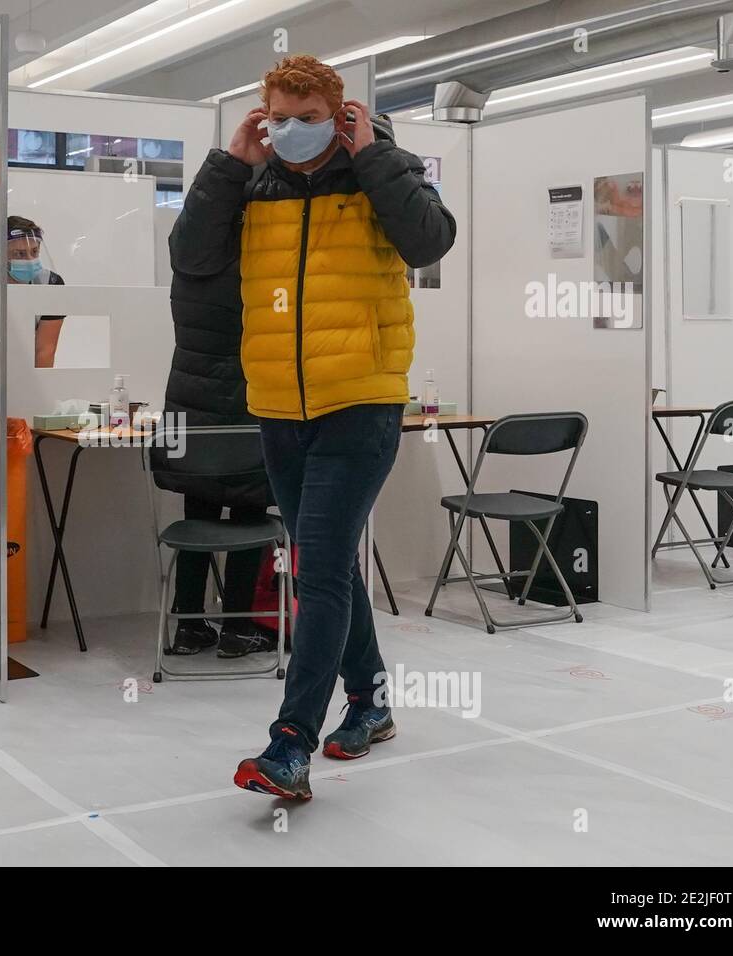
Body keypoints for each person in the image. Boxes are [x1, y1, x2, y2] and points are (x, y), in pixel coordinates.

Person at [169, 55, 455, 800]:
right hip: (275, 402)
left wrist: (375, 154)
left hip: (360, 400)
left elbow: (430, 241)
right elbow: (191, 257)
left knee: (318, 568)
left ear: (341, 115)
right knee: (321, 560)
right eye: (279, 118)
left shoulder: (376, 175)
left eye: (308, 118)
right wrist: (230, 163)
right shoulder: (254, 183)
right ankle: (369, 701)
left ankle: (289, 742)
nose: (292, 132)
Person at [156, 265, 274, 659]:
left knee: (198, 512)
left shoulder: (189, 255)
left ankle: (188, 625)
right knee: (250, 514)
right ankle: (238, 628)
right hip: (250, 398)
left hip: (189, 402)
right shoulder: (258, 260)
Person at [5, 216, 67, 368]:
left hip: (26, 371)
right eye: (19, 254)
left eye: (34, 251)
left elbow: (44, 351)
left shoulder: (50, 284)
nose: (30, 260)